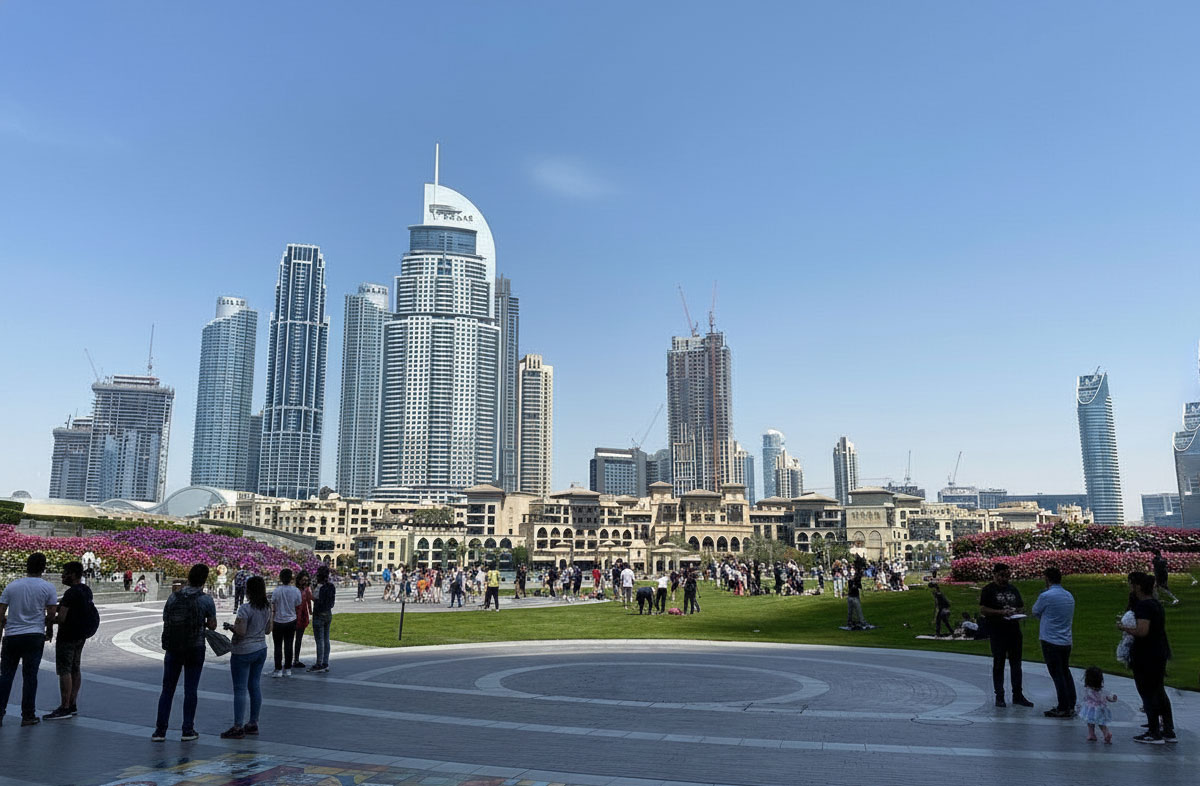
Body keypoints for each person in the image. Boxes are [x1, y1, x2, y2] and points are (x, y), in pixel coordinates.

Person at [153, 563, 218, 741]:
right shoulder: (206, 600)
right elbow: (212, 625)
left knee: (167, 690)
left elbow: (166, 618)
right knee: (190, 690)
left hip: (173, 647)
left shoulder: (173, 597)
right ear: (204, 580)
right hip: (195, 647)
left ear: (189, 577)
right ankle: (187, 730)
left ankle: (160, 731)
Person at [0, 553, 59, 727]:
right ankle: (28, 715)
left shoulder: (12, 586)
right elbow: (51, 613)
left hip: (12, 636)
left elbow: (1, 611)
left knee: (6, 676)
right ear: (43, 567)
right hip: (34, 635)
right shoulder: (48, 587)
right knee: (30, 676)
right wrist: (48, 630)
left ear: (27, 566)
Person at [1119, 572, 1175, 744]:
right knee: (1159, 690)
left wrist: (1124, 627)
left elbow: (1142, 631)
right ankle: (1167, 729)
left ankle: (1153, 731)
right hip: (1159, 652)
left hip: (1146, 655)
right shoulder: (1156, 604)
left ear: (1137, 586)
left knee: (1147, 692)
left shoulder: (1144, 606)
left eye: (1131, 585)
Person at [220, 575, 271, 739]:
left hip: (243, 651)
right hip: (261, 648)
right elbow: (268, 630)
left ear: (249, 590)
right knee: (254, 685)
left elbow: (241, 632)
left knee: (240, 689)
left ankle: (237, 726)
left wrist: (230, 627)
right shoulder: (267, 607)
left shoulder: (245, 609)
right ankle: (253, 722)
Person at [44, 561, 95, 720]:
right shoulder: (86, 590)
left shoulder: (70, 593)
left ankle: (64, 707)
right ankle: (72, 704)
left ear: (72, 574)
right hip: (80, 636)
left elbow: (62, 618)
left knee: (64, 670)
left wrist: (47, 620)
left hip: (67, 637)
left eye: (65, 572)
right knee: (75, 668)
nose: (62, 576)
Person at [979, 563, 1033, 708]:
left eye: (1007, 575)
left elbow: (1021, 606)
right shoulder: (988, 590)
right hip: (998, 631)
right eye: (1002, 575)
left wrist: (1015, 611)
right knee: (999, 663)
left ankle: (1018, 695)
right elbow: (983, 609)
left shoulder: (1013, 589)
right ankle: (1000, 695)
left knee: (1016, 664)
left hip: (1014, 630)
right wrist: (1000, 613)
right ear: (995, 575)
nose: (1005, 578)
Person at [1031, 566, 1076, 718]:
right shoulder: (1068, 595)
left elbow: (1035, 611)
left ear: (1047, 579)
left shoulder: (1046, 596)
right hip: (1066, 640)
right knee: (1065, 671)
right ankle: (1071, 703)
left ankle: (1063, 706)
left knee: (1057, 674)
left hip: (1050, 639)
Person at [269, 569, 302, 677]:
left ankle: (278, 669)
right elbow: (298, 603)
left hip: (278, 620)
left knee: (277, 646)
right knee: (289, 644)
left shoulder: (277, 591)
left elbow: (273, 602)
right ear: (291, 578)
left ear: (281, 578)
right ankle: (288, 668)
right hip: (291, 620)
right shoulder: (295, 590)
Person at [1079, 666, 1117, 744]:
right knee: (1101, 722)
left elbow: (1084, 698)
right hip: (1101, 708)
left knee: (1090, 722)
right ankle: (1106, 733)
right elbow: (1108, 698)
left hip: (1090, 709)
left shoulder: (1088, 689)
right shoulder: (1102, 690)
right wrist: (1113, 699)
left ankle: (1091, 734)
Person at [308, 565, 335, 673]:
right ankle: (325, 662)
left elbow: (318, 601)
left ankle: (319, 664)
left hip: (319, 614)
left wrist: (312, 598)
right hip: (328, 613)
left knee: (319, 640)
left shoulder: (320, 587)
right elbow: (331, 603)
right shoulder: (331, 586)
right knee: (326, 638)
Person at [291, 571, 313, 669]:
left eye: (306, 580)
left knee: (298, 639)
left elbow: (309, 601)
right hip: (293, 615)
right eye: (303, 580)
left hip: (302, 615)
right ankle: (290, 659)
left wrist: (311, 611)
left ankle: (296, 659)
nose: (304, 582)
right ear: (298, 580)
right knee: (290, 639)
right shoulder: (294, 590)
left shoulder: (307, 589)